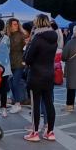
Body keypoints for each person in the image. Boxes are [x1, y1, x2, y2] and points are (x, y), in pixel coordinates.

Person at [22, 14, 59, 142]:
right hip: (49, 73)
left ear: (37, 23)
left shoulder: (37, 38)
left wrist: (28, 44)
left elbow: (27, 59)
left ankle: (35, 132)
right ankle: (50, 132)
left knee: (35, 105)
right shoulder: (54, 37)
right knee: (49, 103)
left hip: (36, 75)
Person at [7, 18, 27, 112]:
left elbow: (26, 47)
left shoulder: (21, 35)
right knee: (11, 82)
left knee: (15, 82)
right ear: (9, 26)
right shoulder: (8, 35)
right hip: (10, 62)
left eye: (17, 24)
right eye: (14, 24)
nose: (16, 25)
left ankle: (18, 103)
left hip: (19, 62)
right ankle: (16, 102)